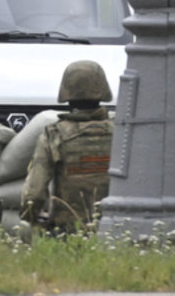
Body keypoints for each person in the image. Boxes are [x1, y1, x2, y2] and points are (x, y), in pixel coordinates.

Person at [20, 59, 115, 233]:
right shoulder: (121, 133)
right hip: (115, 230)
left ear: (66, 93)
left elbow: (34, 193)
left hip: (68, 231)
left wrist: (31, 218)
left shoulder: (54, 134)